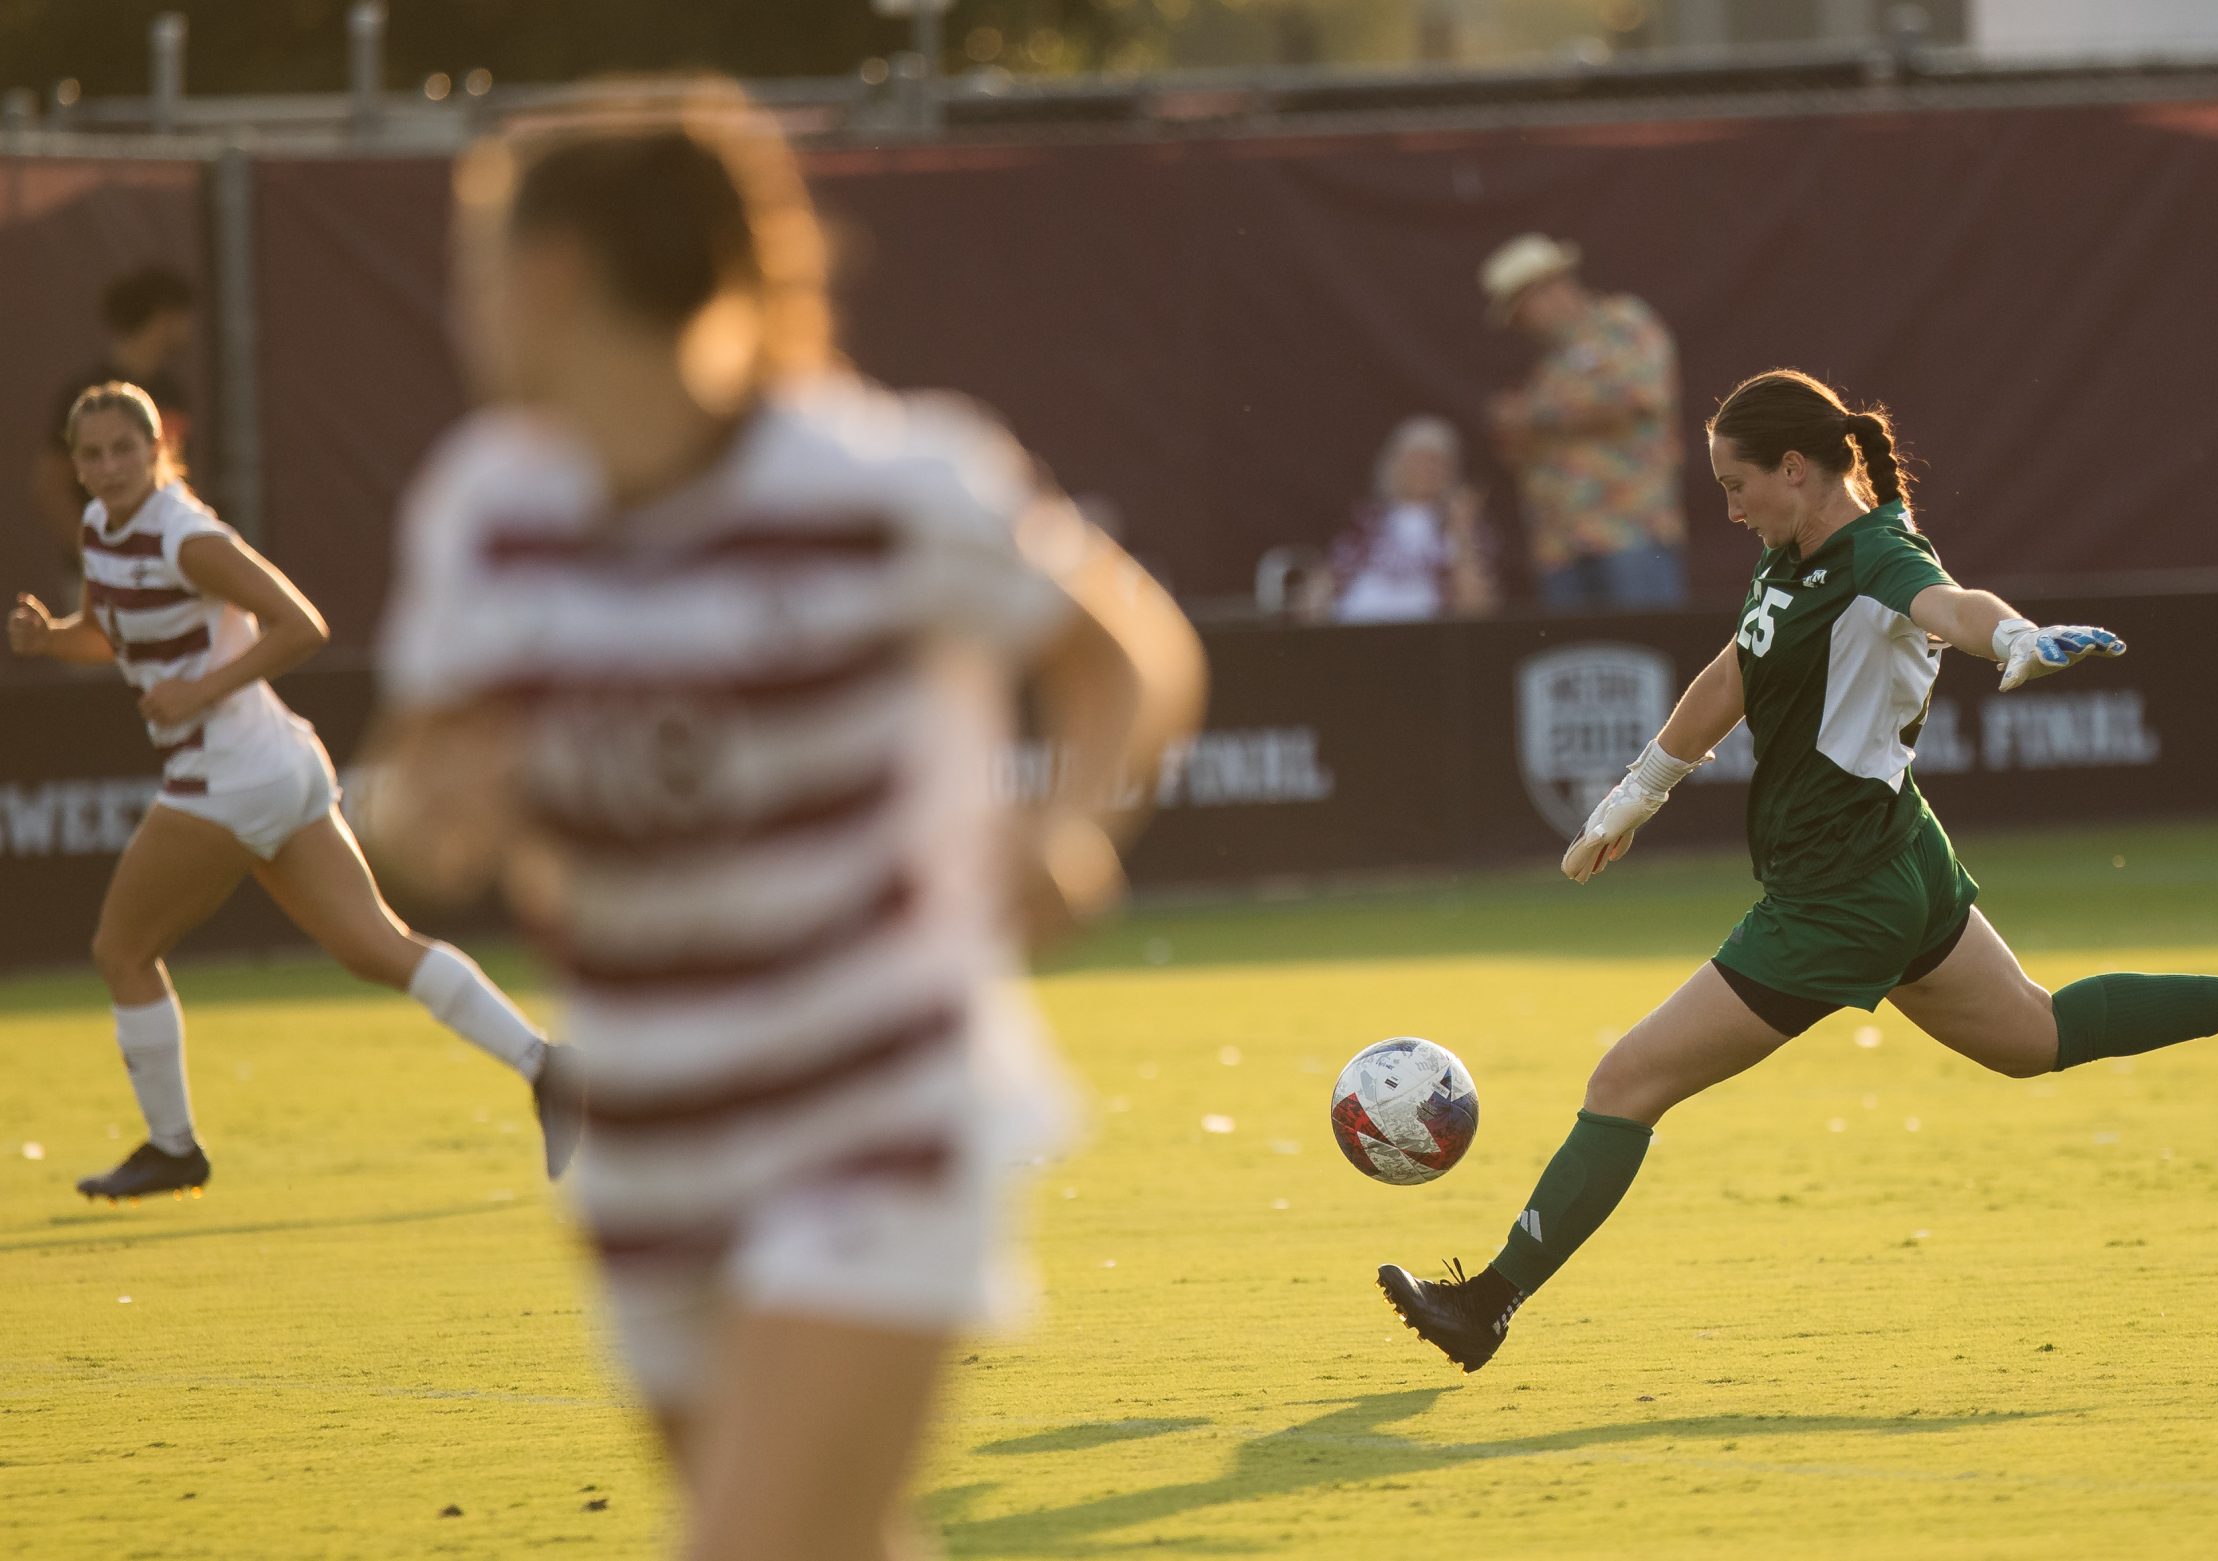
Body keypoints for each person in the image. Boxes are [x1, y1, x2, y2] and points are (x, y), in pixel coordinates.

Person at [363, 84, 1204, 1561]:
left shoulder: (884, 482)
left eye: (480, 266)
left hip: (874, 1110)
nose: (467, 306)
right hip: (649, 1139)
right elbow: (417, 793)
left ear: (556, 277)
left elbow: (1126, 653)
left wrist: (1071, 824)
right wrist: (428, 818)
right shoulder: (487, 508)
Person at [1377, 368, 2218, 1372]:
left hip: (1837, 897)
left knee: (1624, 1081)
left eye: (1736, 486)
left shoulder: (1871, 554)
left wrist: (2016, 638)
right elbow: (1735, 667)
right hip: (1898, 858)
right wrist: (1636, 793)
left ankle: (1487, 1303)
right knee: (2034, 1036)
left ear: (1793, 467)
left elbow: (1948, 604)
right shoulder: (1798, 552)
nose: (1728, 509)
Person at [5, 383, 577, 1203]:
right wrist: (50, 638)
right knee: (374, 946)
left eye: (123, 450)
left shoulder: (186, 534)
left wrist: (200, 693)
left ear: (157, 447)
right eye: (89, 456)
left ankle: (174, 1148)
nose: (106, 468)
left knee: (119, 950)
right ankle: (547, 1065)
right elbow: (112, 632)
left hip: (230, 771)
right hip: (274, 764)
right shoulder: (99, 529)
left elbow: (303, 624)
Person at [1480, 234, 1685, 612]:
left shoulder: (1624, 324)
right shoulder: (1547, 370)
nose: (1522, 325)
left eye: (1521, 310)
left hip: (1628, 533)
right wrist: (1512, 432)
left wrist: (1533, 417)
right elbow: (1527, 451)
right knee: (1579, 656)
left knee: (1646, 652)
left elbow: (1636, 399)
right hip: (1560, 546)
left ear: (1549, 290)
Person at [30, 266, 200, 575]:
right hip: (103, 580)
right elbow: (50, 486)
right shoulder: (86, 395)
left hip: (164, 569)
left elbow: (175, 478)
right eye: (184, 313)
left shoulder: (173, 393)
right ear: (163, 315)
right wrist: (98, 558)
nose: (191, 326)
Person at [1328, 416, 1497, 623]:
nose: (1424, 469)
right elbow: (1330, 582)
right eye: (1416, 459)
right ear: (1393, 465)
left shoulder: (1462, 525)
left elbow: (1479, 607)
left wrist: (1462, 530)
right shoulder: (1365, 521)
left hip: (1428, 636)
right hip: (1357, 628)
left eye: (1435, 461)